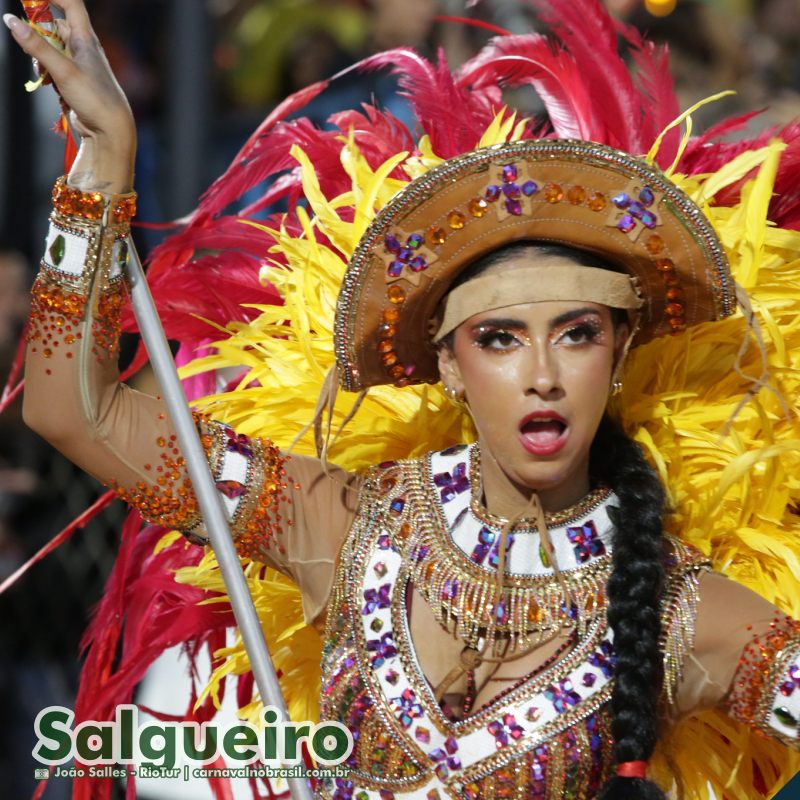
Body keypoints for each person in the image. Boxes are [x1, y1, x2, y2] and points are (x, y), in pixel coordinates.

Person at [5, 1, 800, 799]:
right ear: (447, 365)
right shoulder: (347, 525)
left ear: (620, 353)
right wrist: (102, 167)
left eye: (577, 334)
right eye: (498, 340)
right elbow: (76, 411)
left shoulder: (683, 609)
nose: (543, 375)